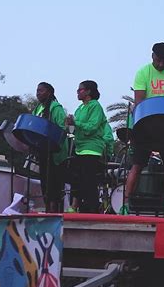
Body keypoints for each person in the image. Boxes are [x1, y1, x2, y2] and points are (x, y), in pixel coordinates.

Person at [120, 42, 164, 216]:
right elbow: (140, 102)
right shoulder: (143, 72)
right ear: (152, 56)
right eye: (158, 60)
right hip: (146, 127)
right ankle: (125, 203)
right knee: (137, 165)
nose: (161, 64)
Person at [65, 81, 108, 213]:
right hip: (80, 148)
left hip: (92, 148)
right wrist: (68, 124)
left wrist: (76, 122)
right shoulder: (79, 109)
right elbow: (74, 129)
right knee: (77, 179)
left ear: (88, 91)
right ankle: (76, 206)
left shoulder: (95, 106)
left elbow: (92, 127)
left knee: (89, 181)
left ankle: (92, 209)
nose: (77, 92)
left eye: (80, 90)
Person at [33, 82, 68, 212]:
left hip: (55, 153)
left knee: (54, 184)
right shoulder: (38, 108)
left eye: (41, 90)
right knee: (45, 183)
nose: (38, 93)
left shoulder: (56, 107)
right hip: (42, 150)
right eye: (37, 90)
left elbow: (62, 127)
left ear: (49, 92)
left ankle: (54, 210)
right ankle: (47, 208)